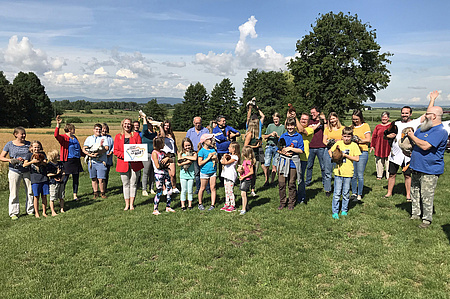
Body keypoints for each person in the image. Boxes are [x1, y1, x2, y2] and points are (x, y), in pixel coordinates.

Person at [384, 92, 435, 200]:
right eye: (403, 113)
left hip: (408, 154)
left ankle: (408, 195)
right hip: (395, 154)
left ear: (410, 114)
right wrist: (389, 136)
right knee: (392, 174)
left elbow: (428, 114)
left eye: (406, 113)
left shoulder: (415, 122)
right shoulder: (396, 123)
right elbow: (386, 134)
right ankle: (389, 193)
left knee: (407, 175)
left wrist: (432, 99)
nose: (404, 115)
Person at [408, 96, 447, 228]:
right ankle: (415, 214)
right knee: (414, 191)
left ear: (434, 116)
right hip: (416, 166)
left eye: (428, 114)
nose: (425, 116)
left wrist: (412, 137)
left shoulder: (440, 131)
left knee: (426, 194)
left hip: (429, 169)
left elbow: (425, 146)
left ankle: (426, 219)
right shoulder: (424, 128)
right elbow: (415, 143)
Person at [0, 126, 34, 220]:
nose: (23, 135)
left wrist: (26, 160)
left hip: (27, 170)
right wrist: (10, 160)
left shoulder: (29, 144)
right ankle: (14, 213)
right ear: (15, 134)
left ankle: (30, 210)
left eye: (24, 134)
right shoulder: (9, 144)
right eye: (21, 134)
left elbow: (34, 154)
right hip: (14, 171)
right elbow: (1, 157)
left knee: (30, 191)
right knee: (14, 192)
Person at [328, 126, 361, 219]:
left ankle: (344, 210)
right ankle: (335, 211)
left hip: (348, 172)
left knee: (346, 193)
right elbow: (330, 150)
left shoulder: (354, 146)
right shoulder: (339, 143)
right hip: (338, 172)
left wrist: (345, 155)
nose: (346, 138)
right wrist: (333, 157)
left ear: (351, 136)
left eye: (348, 136)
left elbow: (357, 158)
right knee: (337, 193)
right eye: (345, 136)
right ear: (342, 136)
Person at [114, 118, 144, 211]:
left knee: (133, 183)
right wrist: (125, 155)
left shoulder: (136, 135)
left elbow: (139, 147)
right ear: (122, 125)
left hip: (135, 163)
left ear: (131, 125)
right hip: (123, 163)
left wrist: (133, 155)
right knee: (125, 184)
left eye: (129, 124)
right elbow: (115, 151)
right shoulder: (118, 136)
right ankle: (126, 204)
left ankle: (132, 204)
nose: (127, 125)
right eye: (125, 124)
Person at [277, 117, 304, 210]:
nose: (290, 127)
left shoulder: (298, 136)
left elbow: (301, 150)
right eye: (288, 125)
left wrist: (291, 149)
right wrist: (283, 152)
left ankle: (291, 203)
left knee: (292, 183)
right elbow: (278, 149)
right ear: (286, 126)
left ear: (295, 126)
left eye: (292, 125)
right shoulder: (283, 136)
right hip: (283, 162)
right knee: (281, 183)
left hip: (293, 162)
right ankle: (282, 202)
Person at [54, 115, 83, 201]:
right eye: (74, 129)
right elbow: (56, 135)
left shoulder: (74, 138)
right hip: (67, 161)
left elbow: (79, 149)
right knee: (65, 178)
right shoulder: (63, 137)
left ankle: (75, 195)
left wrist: (86, 155)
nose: (75, 130)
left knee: (76, 178)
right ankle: (61, 195)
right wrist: (58, 125)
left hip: (76, 160)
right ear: (70, 129)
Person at [83, 123, 109, 199]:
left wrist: (98, 153)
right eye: (96, 129)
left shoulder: (104, 138)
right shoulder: (89, 138)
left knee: (101, 179)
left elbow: (106, 148)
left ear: (101, 130)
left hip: (101, 161)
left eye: (99, 129)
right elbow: (84, 148)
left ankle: (102, 193)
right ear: (94, 130)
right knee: (93, 178)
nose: (98, 131)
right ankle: (95, 193)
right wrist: (90, 155)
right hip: (92, 161)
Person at [23, 141, 49, 218]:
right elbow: (24, 164)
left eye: (38, 147)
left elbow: (46, 163)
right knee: (36, 196)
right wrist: (32, 162)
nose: (36, 149)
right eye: (35, 147)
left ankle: (44, 212)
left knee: (44, 196)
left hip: (44, 177)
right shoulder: (29, 155)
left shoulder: (43, 154)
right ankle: (37, 213)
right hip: (35, 178)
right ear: (31, 148)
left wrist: (41, 162)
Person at [350, 109, 371, 202]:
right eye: (353, 119)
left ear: (361, 118)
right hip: (353, 152)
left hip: (362, 152)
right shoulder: (351, 127)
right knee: (353, 174)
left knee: (360, 174)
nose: (355, 121)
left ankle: (359, 194)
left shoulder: (365, 126)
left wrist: (359, 140)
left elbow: (368, 139)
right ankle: (354, 192)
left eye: (356, 119)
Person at [185, 116, 210, 193]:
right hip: (194, 153)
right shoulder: (190, 131)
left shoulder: (205, 130)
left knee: (206, 171)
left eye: (199, 123)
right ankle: (198, 188)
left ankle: (207, 188)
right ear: (193, 123)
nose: (198, 125)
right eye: (196, 123)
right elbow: (186, 141)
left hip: (204, 153)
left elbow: (208, 141)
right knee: (196, 172)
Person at [213, 115, 240, 182]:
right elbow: (219, 138)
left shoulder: (228, 127)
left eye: (225, 120)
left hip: (229, 150)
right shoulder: (215, 129)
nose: (224, 122)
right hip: (220, 151)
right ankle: (222, 180)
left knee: (231, 165)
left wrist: (234, 135)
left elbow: (238, 132)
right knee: (222, 165)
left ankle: (232, 179)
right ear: (218, 122)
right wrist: (227, 138)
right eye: (223, 121)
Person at [152, 137, 175, 215]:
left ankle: (168, 206)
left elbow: (171, 160)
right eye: (163, 143)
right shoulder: (154, 153)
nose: (164, 145)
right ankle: (155, 209)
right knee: (159, 191)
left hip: (165, 173)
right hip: (159, 174)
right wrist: (166, 164)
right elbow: (158, 166)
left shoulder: (163, 153)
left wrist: (167, 158)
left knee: (169, 190)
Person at [294, 112, 314, 204]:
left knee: (300, 179)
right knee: (292, 178)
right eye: (302, 118)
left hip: (303, 157)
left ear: (308, 122)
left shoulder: (310, 129)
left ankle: (301, 197)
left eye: (305, 119)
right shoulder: (295, 127)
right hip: (293, 155)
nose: (303, 120)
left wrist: (295, 118)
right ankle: (293, 196)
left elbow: (302, 130)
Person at [246, 101, 267, 187]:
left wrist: (255, 108)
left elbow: (262, 116)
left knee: (262, 162)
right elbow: (249, 117)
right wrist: (252, 108)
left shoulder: (259, 124)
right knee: (253, 165)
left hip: (259, 145)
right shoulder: (250, 126)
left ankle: (266, 179)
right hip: (254, 146)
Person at [322, 112, 343, 197]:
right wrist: (329, 142)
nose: (332, 120)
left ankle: (339, 188)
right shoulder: (327, 129)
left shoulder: (342, 128)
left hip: (339, 150)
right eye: (330, 119)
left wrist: (338, 140)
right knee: (327, 171)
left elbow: (344, 139)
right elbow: (324, 140)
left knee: (339, 170)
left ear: (337, 118)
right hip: (328, 150)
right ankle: (328, 189)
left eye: (333, 118)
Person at [305, 106, 327, 188]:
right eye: (311, 113)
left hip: (321, 146)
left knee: (323, 166)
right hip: (311, 146)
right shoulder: (310, 122)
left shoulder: (323, 122)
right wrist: (319, 124)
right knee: (309, 165)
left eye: (313, 112)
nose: (312, 114)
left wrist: (324, 121)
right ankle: (307, 182)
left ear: (318, 113)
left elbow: (326, 130)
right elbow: (311, 129)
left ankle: (325, 183)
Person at [262, 112, 286, 185]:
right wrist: (270, 134)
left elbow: (284, 138)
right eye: (274, 119)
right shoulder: (270, 126)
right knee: (266, 164)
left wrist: (277, 136)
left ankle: (272, 181)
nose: (276, 121)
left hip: (277, 147)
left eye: (277, 119)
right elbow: (265, 137)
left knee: (275, 165)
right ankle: (266, 180)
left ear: (279, 119)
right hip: (269, 145)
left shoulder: (283, 127)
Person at [197, 133, 218, 211]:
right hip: (204, 172)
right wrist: (208, 158)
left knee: (213, 188)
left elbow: (217, 161)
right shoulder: (201, 151)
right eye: (209, 139)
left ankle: (212, 204)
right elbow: (200, 163)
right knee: (202, 188)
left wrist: (215, 158)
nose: (211, 140)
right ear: (204, 141)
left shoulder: (213, 150)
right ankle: (200, 203)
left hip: (213, 171)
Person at [140, 112, 158, 196]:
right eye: (148, 124)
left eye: (151, 124)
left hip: (154, 154)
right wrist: (144, 118)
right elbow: (144, 128)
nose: (149, 125)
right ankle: (144, 189)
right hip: (146, 154)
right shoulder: (144, 133)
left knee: (152, 172)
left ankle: (151, 188)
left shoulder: (155, 134)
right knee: (146, 172)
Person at [243, 119, 263, 196]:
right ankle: (246, 187)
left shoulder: (256, 135)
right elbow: (245, 145)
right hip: (250, 155)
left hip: (256, 154)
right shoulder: (250, 134)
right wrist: (255, 146)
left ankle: (252, 189)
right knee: (249, 172)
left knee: (254, 173)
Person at [159, 120, 179, 193]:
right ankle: (164, 188)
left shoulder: (171, 134)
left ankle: (174, 187)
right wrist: (160, 127)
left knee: (172, 174)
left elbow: (175, 145)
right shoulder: (160, 135)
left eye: (168, 125)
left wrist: (178, 153)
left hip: (172, 155)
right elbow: (163, 136)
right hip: (164, 155)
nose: (167, 127)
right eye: (165, 125)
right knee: (164, 173)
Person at [370, 111, 392, 180]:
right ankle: (379, 175)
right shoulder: (378, 126)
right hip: (379, 146)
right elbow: (374, 136)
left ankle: (388, 176)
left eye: (385, 117)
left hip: (388, 146)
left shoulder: (391, 126)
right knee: (379, 161)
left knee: (388, 161)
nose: (384, 119)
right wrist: (372, 146)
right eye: (383, 117)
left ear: (388, 118)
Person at [177, 137, 197, 211]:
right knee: (183, 190)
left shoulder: (194, 153)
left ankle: (190, 205)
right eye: (186, 146)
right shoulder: (181, 153)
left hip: (191, 174)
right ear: (183, 146)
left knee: (190, 190)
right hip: (183, 174)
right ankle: (183, 205)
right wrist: (188, 161)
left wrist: (185, 159)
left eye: (189, 145)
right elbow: (179, 163)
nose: (187, 147)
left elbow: (194, 158)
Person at [220, 142, 240, 212]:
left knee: (230, 191)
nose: (228, 148)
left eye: (229, 147)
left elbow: (224, 162)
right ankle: (227, 203)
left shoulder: (235, 157)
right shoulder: (230, 156)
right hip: (226, 175)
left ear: (234, 149)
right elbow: (222, 161)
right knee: (226, 190)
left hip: (231, 175)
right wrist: (225, 157)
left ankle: (232, 205)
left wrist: (225, 157)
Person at [46, 150, 65, 216]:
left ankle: (62, 209)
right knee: (52, 197)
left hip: (61, 182)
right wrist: (56, 174)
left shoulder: (60, 163)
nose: (59, 156)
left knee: (61, 196)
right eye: (58, 155)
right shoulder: (49, 165)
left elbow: (63, 172)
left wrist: (61, 179)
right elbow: (48, 174)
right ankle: (53, 211)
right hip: (53, 183)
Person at [239, 146, 255, 215]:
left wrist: (244, 177)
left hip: (247, 180)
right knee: (243, 193)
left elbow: (251, 172)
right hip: (243, 178)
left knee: (243, 194)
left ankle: (243, 209)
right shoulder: (245, 161)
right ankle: (246, 206)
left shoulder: (248, 162)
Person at [101, 123, 114, 192]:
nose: (104, 130)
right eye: (103, 128)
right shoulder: (99, 137)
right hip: (101, 158)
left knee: (106, 173)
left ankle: (105, 188)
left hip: (108, 158)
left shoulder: (110, 138)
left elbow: (113, 146)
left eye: (105, 128)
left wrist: (111, 152)